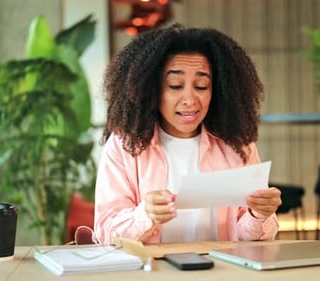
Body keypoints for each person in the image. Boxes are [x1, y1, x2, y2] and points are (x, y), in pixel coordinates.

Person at [94, 24, 281, 245]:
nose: (190, 100)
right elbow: (105, 232)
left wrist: (259, 214)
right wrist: (145, 215)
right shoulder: (125, 145)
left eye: (201, 86)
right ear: (152, 90)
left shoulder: (237, 145)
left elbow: (244, 237)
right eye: (175, 85)